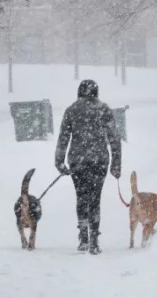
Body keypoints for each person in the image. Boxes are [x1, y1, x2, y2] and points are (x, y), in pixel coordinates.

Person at [55, 79, 122, 255]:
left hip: (78, 161)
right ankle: (94, 239)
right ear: (96, 92)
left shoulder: (72, 110)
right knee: (95, 200)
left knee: (81, 198)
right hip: (99, 160)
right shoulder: (103, 109)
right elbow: (114, 138)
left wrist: (59, 161)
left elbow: (63, 138)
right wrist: (116, 163)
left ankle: (83, 237)